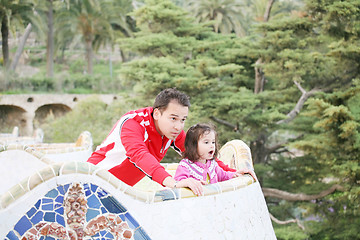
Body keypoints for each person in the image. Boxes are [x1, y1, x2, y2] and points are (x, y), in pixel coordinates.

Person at [88, 88, 231, 196]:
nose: (178, 126)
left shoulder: (172, 132)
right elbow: (141, 156)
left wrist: (232, 172)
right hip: (90, 184)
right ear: (157, 113)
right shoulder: (132, 123)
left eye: (183, 120)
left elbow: (200, 152)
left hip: (118, 193)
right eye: (173, 118)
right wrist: (174, 183)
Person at [174, 123, 241, 184]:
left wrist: (233, 175)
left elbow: (223, 175)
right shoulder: (186, 166)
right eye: (206, 142)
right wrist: (192, 183)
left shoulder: (212, 164)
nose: (212, 145)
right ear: (193, 145)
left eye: (213, 142)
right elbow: (179, 182)